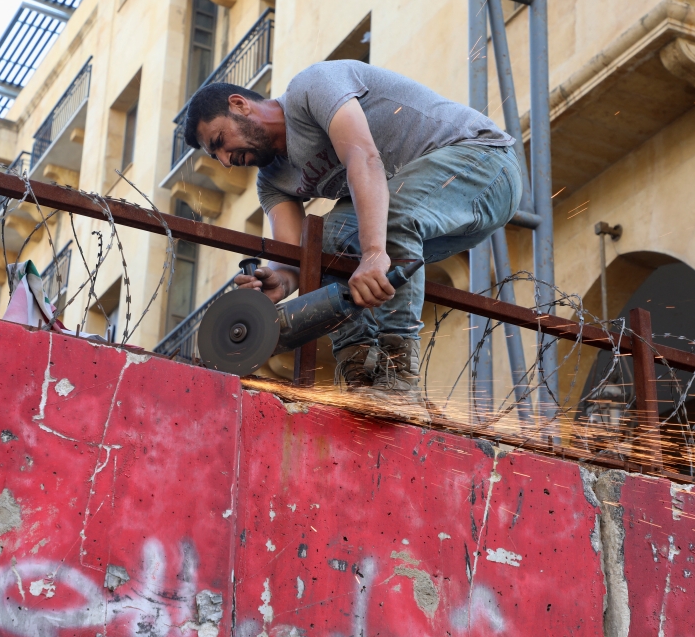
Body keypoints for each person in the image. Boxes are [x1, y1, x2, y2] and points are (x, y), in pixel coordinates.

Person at [183, 60, 521, 407]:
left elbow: (363, 156)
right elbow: (297, 257)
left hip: (485, 164)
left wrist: (374, 251)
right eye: (217, 156)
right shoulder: (272, 183)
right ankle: (362, 374)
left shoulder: (311, 87)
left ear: (239, 104)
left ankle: (398, 379)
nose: (225, 160)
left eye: (220, 141)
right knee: (329, 239)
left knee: (386, 219)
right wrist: (280, 282)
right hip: (434, 212)